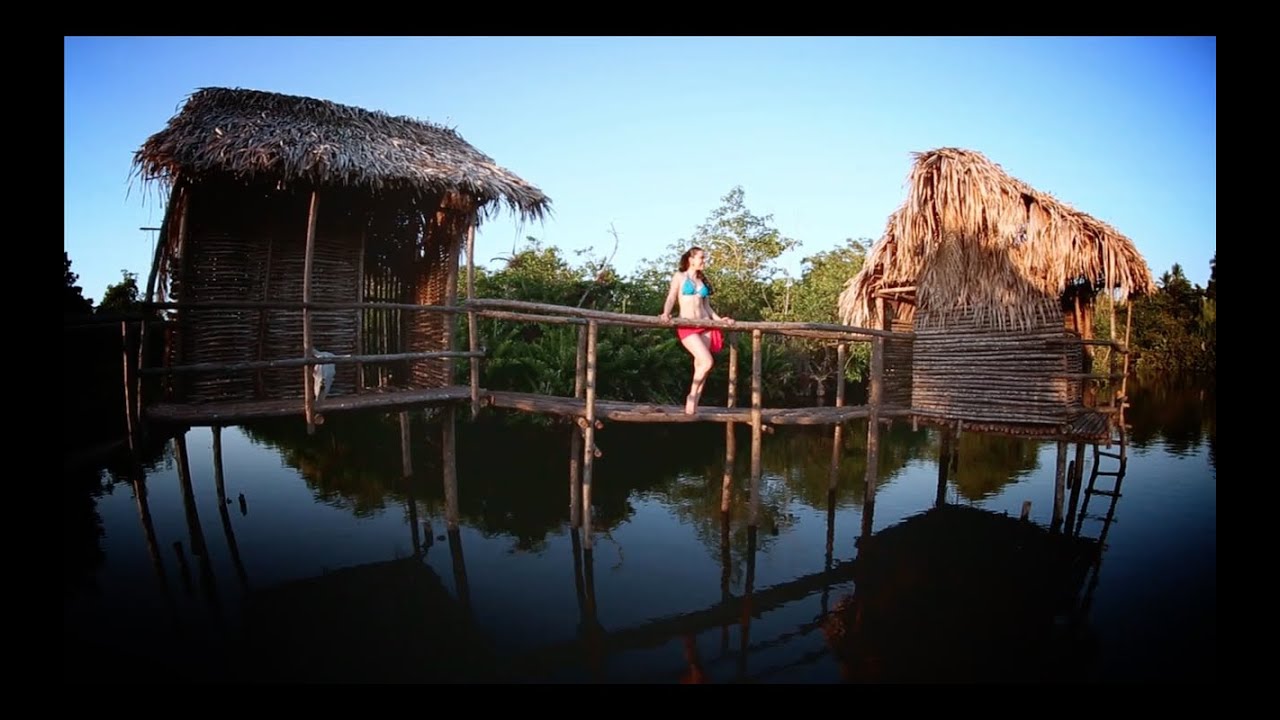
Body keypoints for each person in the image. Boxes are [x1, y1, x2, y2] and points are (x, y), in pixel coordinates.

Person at [660, 246, 734, 415]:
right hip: (687, 325)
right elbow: (672, 296)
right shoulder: (680, 277)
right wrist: (666, 313)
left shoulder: (702, 281)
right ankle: (691, 397)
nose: (704, 261)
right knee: (707, 361)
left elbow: (707, 307)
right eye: (701, 257)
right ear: (691, 259)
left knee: (701, 365)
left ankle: (694, 403)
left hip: (705, 324)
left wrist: (720, 320)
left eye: (704, 258)